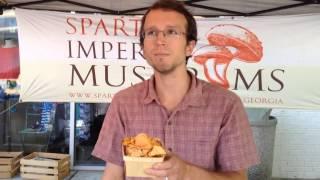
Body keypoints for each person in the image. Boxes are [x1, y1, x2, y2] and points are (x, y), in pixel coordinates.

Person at [92, 0, 260, 179]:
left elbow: (238, 177)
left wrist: (187, 172)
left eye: (171, 32)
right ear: (142, 47)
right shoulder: (123, 103)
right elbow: (113, 174)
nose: (160, 41)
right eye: (151, 33)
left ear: (190, 46)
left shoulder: (227, 105)